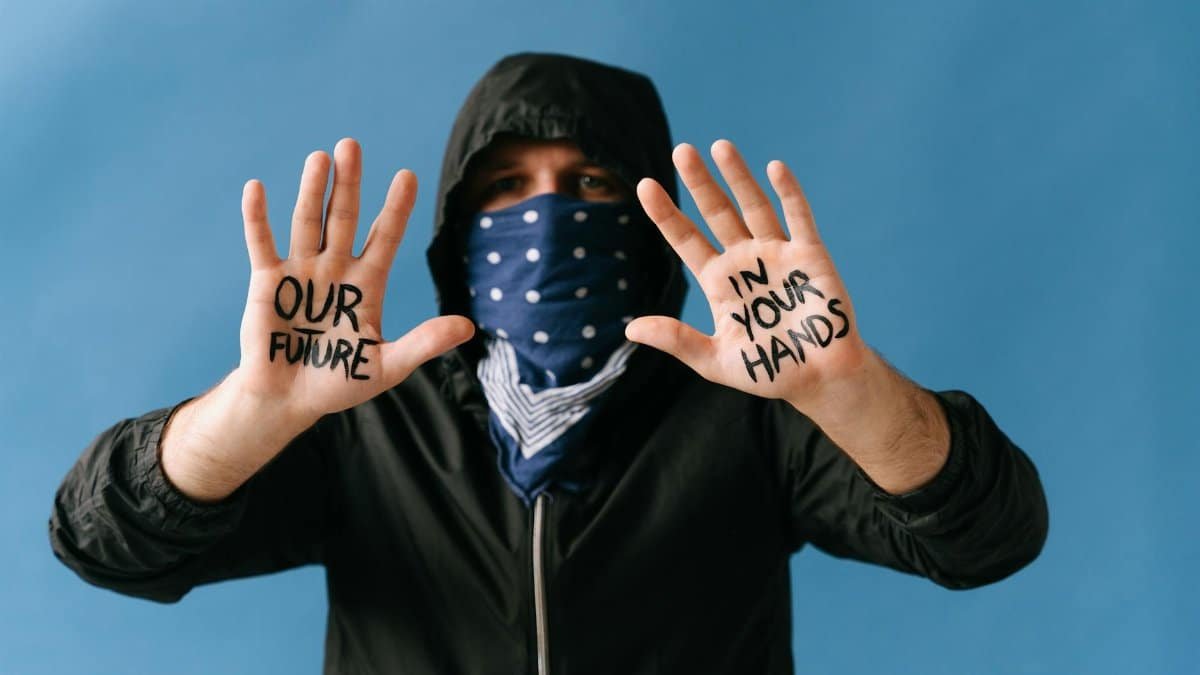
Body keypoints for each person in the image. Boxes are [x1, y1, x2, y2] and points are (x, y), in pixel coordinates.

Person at [48, 53, 1049, 674]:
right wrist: (254, 410)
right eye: (506, 188)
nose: (548, 216)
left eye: (592, 184)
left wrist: (850, 389)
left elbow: (988, 538)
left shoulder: (753, 413)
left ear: (650, 221)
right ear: (457, 232)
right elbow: (106, 545)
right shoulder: (362, 423)